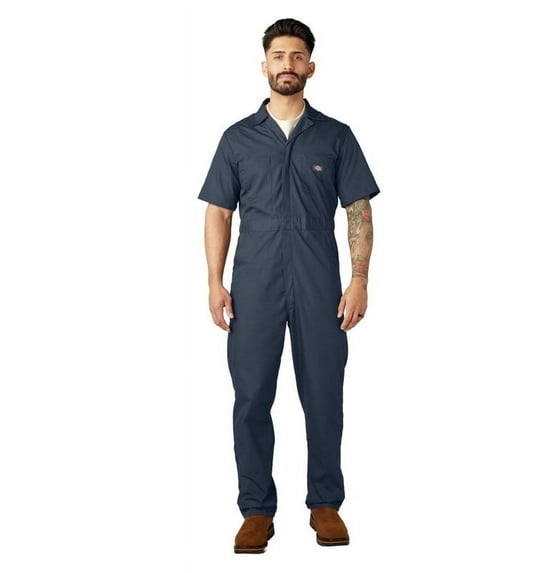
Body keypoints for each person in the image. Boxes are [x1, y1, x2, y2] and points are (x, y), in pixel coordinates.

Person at [198, 18, 380, 553]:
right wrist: (214, 282)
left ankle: (325, 504)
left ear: (311, 67)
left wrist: (359, 280)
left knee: (323, 394)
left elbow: (359, 209)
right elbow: (218, 213)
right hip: (253, 282)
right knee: (252, 395)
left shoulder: (336, 136)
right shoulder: (237, 138)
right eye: (278, 56)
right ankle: (257, 510)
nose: (287, 64)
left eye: (297, 56)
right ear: (264, 66)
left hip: (319, 279)